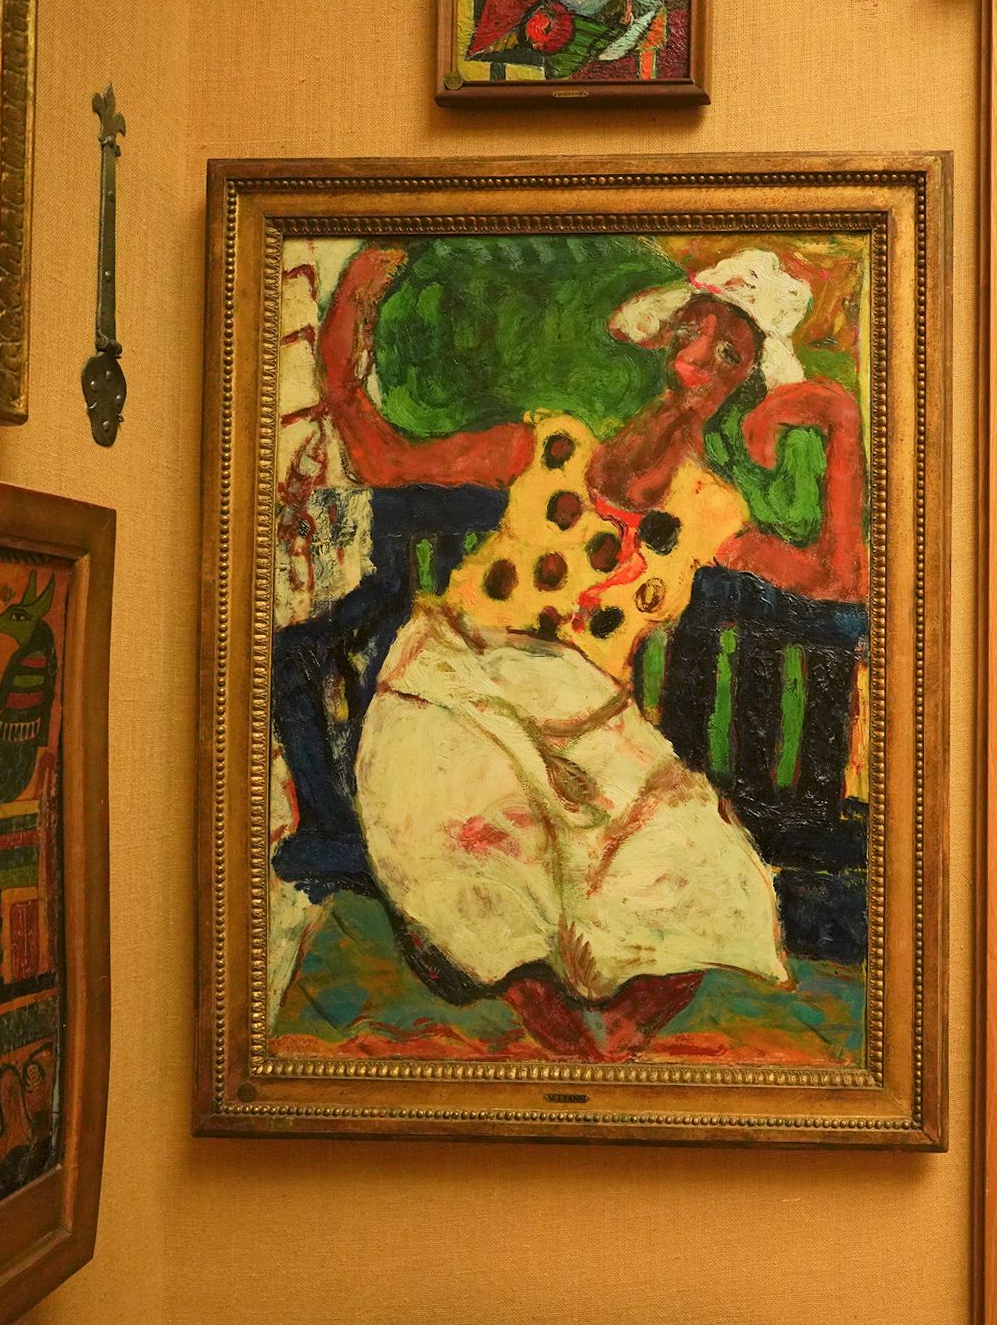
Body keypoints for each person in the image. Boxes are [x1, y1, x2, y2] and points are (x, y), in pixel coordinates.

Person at [275, 237, 866, 1059]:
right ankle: (557, 1033)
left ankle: (604, 1050)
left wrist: (840, 422)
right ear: (665, 340)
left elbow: (840, 578)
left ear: (743, 380)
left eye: (729, 353)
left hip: (588, 720)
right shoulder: (550, 447)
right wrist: (353, 309)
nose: (702, 359)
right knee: (467, 823)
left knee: (703, 859)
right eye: (694, 334)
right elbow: (379, 455)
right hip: (456, 677)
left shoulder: (708, 511)